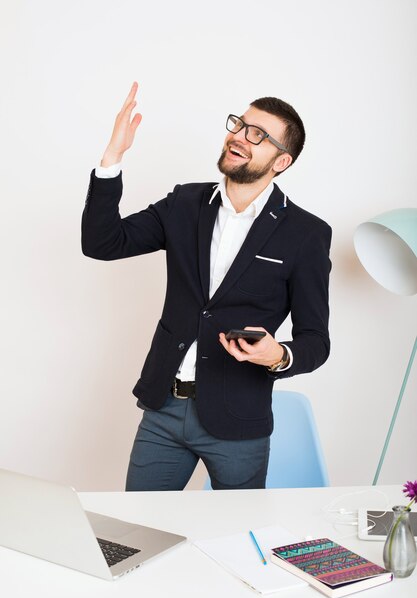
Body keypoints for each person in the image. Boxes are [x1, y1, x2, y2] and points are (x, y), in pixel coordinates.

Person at [82, 82, 332, 491]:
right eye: (240, 124)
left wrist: (277, 355)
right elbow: (102, 244)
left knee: (237, 542)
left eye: (258, 135)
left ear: (281, 161)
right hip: (163, 409)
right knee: (139, 537)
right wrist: (113, 158)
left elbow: (315, 340)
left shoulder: (306, 234)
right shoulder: (185, 203)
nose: (239, 137)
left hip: (238, 422)